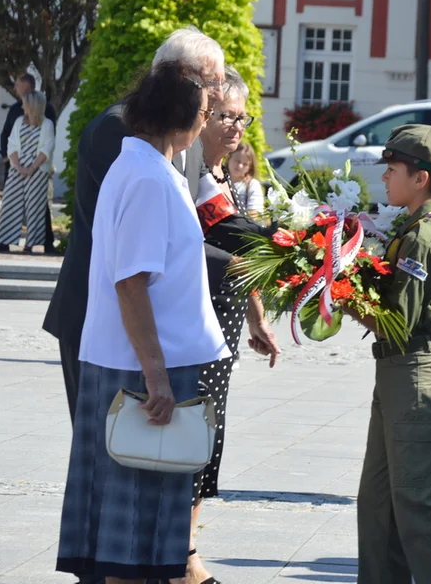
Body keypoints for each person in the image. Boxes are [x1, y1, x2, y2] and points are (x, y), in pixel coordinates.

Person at [56, 61, 230, 584]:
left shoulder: (146, 168)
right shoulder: (149, 178)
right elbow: (131, 283)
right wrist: (155, 374)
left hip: (138, 362)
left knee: (139, 535)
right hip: (141, 370)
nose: (208, 122)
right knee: (131, 539)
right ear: (181, 115)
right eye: (205, 112)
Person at [43, 26, 227, 422]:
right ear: (175, 77)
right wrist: (238, 268)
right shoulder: (123, 131)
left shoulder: (189, 139)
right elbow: (137, 254)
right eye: (210, 83)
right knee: (109, 448)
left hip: (155, 329)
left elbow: (202, 220)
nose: (217, 95)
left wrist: (279, 246)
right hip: (108, 319)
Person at [345, 124, 431, 584]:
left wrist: (337, 291)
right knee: (380, 501)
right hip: (398, 370)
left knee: (418, 500)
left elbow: (395, 320)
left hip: (416, 370)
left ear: (420, 178)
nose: (385, 177)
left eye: (392, 169)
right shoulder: (413, 226)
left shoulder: (425, 235)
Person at [189, 66, 280, 584]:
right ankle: (183, 558)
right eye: (225, 115)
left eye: (242, 117)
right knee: (195, 432)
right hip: (197, 321)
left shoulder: (224, 173)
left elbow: (237, 252)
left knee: (210, 435)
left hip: (226, 318)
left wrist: (257, 314)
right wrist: (293, 245)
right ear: (201, 117)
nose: (236, 126)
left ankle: (189, 546)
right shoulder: (193, 169)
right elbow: (228, 234)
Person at [0, 73, 59, 254]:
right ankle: (3, 241)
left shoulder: (47, 115)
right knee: (10, 204)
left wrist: (32, 167)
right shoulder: (17, 113)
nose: (15, 89)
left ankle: (39, 242)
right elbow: (10, 138)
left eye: (18, 85)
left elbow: (47, 146)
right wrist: (13, 162)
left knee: (37, 207)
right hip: (16, 167)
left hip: (37, 169)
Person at [226, 140, 264, 219]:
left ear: (250, 167)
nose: (240, 166)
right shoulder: (218, 180)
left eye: (245, 164)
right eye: (237, 161)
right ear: (229, 158)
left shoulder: (252, 185)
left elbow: (254, 213)